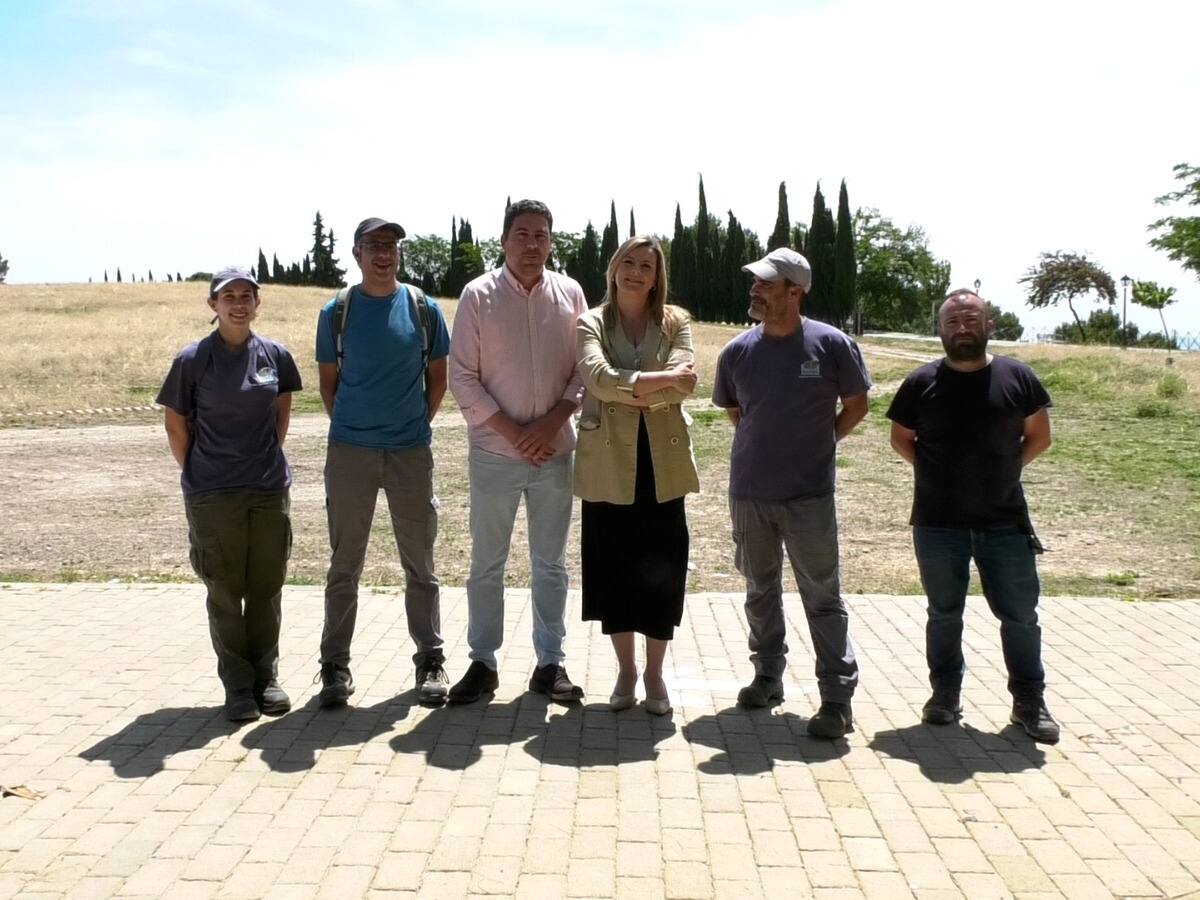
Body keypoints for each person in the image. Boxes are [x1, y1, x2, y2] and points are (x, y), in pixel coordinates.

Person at [887, 289, 1059, 743]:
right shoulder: (920, 381)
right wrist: (935, 473)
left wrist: (1005, 471)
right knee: (944, 613)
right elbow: (901, 438)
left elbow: (1039, 437)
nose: (962, 328)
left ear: (989, 325)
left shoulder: (1017, 376)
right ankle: (944, 696)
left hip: (1005, 522)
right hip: (937, 522)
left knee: (1020, 617)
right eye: (952, 322)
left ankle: (1029, 701)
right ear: (939, 331)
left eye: (971, 319)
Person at [712, 247, 870, 739]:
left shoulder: (832, 344)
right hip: (750, 493)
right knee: (760, 590)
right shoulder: (737, 350)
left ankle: (836, 698)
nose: (755, 290)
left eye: (765, 283)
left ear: (794, 290)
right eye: (756, 283)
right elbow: (737, 413)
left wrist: (820, 441)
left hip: (809, 496)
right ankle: (767, 676)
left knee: (822, 597)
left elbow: (857, 405)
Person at [447, 199, 587, 704]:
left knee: (551, 563)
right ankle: (482, 662)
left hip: (555, 453)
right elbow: (461, 375)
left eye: (542, 235)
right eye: (523, 234)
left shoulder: (570, 294)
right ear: (504, 241)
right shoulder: (477, 296)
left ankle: (550, 663)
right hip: (494, 454)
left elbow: (583, 369)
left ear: (551, 243)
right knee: (488, 562)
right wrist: (513, 433)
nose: (533, 245)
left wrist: (551, 423)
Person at [314, 217, 451, 708]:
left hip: (410, 451)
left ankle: (430, 661)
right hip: (350, 453)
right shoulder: (337, 312)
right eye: (374, 245)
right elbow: (329, 384)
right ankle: (334, 667)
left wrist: (415, 425)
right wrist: (357, 429)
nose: (384, 253)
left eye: (391, 246)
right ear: (356, 253)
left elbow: (438, 376)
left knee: (421, 563)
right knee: (344, 565)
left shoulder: (422, 308)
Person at [157, 266, 302, 722]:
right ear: (213, 305)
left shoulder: (275, 356)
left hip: (266, 489)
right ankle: (238, 687)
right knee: (224, 589)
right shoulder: (192, 360)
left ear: (258, 303)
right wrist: (199, 471)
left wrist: (260, 461)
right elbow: (175, 423)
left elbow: (280, 416)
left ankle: (266, 679)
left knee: (266, 586)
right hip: (212, 492)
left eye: (247, 296)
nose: (238, 304)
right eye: (229, 296)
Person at [574, 236, 700, 715]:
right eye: (628, 262)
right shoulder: (590, 321)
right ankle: (626, 670)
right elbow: (595, 378)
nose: (636, 272)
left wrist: (633, 390)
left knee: (663, 572)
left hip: (661, 465)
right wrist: (660, 382)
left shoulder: (676, 321)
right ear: (613, 269)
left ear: (656, 275)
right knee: (613, 569)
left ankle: (654, 673)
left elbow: (685, 384)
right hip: (608, 464)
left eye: (646, 265)